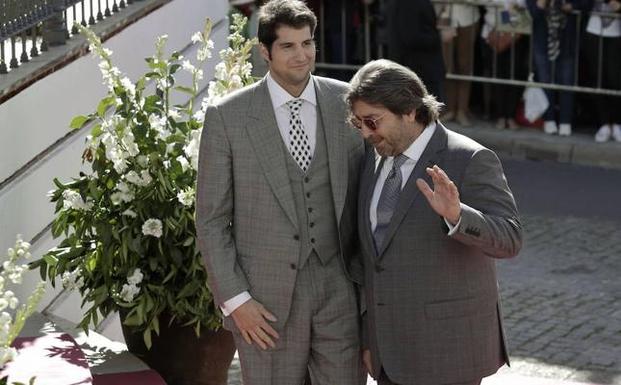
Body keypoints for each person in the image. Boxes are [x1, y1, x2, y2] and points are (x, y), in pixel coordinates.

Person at [195, 1, 365, 384]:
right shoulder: (228, 116)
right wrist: (237, 301)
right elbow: (211, 220)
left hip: (338, 289)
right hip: (264, 301)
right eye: (288, 46)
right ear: (265, 51)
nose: (302, 55)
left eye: (307, 43)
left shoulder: (346, 103)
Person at [345, 59, 523, 385]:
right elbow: (371, 255)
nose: (367, 133)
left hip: (448, 352)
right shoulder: (371, 156)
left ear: (410, 111)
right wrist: (370, 337)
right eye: (359, 123)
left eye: (373, 121)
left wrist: (457, 216)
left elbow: (510, 238)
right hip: (388, 352)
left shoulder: (469, 158)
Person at [526, 0, 588, 136]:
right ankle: (549, 120)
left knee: (567, 80)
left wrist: (572, 6)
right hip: (543, 40)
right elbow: (532, 13)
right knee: (545, 80)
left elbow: (587, 4)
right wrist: (541, 4)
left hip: (567, 41)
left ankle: (565, 121)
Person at [384, 0, 446, 102]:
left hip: (412, 71)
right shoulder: (411, 3)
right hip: (419, 70)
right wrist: (439, 37)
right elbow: (412, 37)